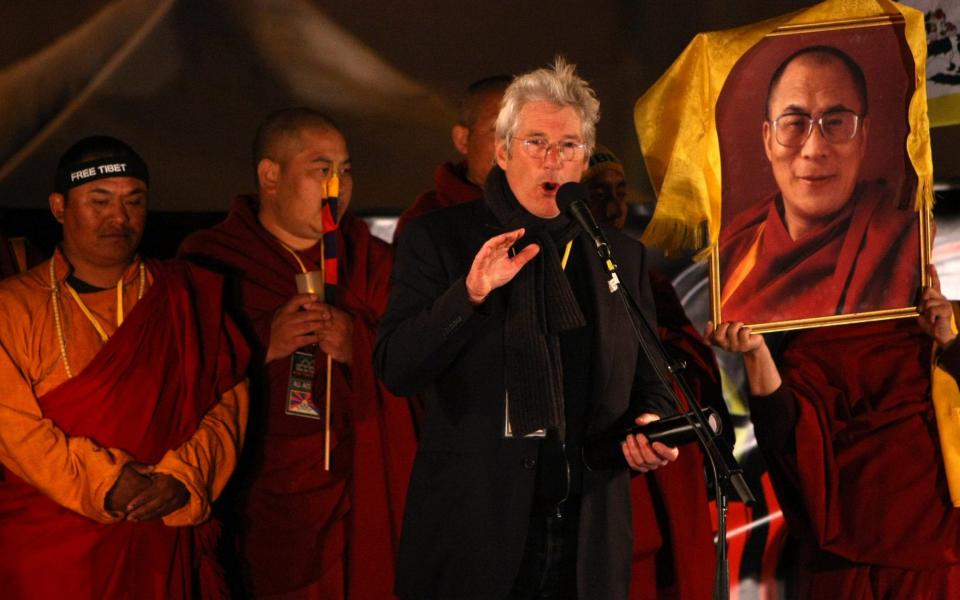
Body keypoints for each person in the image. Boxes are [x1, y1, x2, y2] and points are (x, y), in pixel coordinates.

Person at [375, 57, 681, 600]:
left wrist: (650, 423)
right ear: (501, 151)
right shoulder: (440, 240)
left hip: (586, 527)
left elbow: (649, 377)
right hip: (478, 526)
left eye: (567, 146)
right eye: (535, 143)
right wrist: (469, 295)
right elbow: (397, 368)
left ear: (585, 157)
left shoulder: (618, 257)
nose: (552, 161)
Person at [179, 108, 418, 599]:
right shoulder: (215, 259)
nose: (338, 186)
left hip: (362, 487)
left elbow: (421, 359)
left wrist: (361, 345)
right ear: (271, 175)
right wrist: (264, 343)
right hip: (264, 496)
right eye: (320, 169)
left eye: (346, 169)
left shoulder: (371, 259)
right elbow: (182, 374)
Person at [0, 136, 251, 599]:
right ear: (59, 206)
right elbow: (12, 430)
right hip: (50, 555)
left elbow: (228, 399)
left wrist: (183, 476)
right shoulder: (14, 307)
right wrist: (106, 483)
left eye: (134, 202)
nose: (119, 218)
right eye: (100, 201)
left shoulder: (184, 295)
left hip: (158, 538)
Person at [706, 264, 960, 597]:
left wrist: (950, 342)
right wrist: (756, 355)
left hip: (940, 561)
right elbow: (788, 441)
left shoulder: (949, 322)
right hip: (844, 565)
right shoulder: (815, 332)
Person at [581, 146, 730, 598]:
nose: (613, 205)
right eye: (598, 191)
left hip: (668, 451)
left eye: (620, 192)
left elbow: (688, 357)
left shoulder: (646, 274)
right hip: (612, 465)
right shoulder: (569, 273)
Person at [719, 45, 919, 325]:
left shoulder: (902, 240)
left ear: (863, 136)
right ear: (767, 139)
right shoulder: (732, 252)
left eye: (836, 122)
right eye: (794, 123)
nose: (814, 149)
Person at [393, 75, 511, 241]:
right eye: (499, 130)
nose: (513, 144)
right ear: (462, 140)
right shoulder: (427, 221)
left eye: (528, 134)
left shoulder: (549, 210)